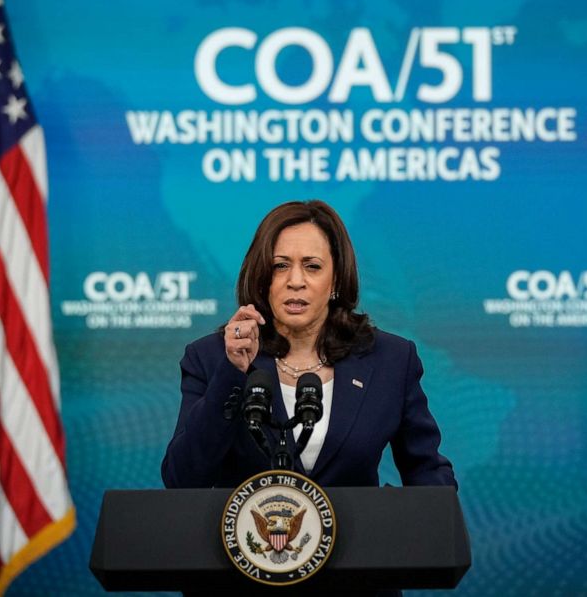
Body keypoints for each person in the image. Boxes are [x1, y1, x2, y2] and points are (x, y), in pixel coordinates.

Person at [161, 200, 455, 489]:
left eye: (312, 266)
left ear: (336, 278)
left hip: (358, 536)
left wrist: (438, 521)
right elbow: (182, 478)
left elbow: (426, 470)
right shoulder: (212, 358)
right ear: (262, 277)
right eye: (280, 266)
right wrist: (232, 373)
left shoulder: (390, 359)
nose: (296, 281)